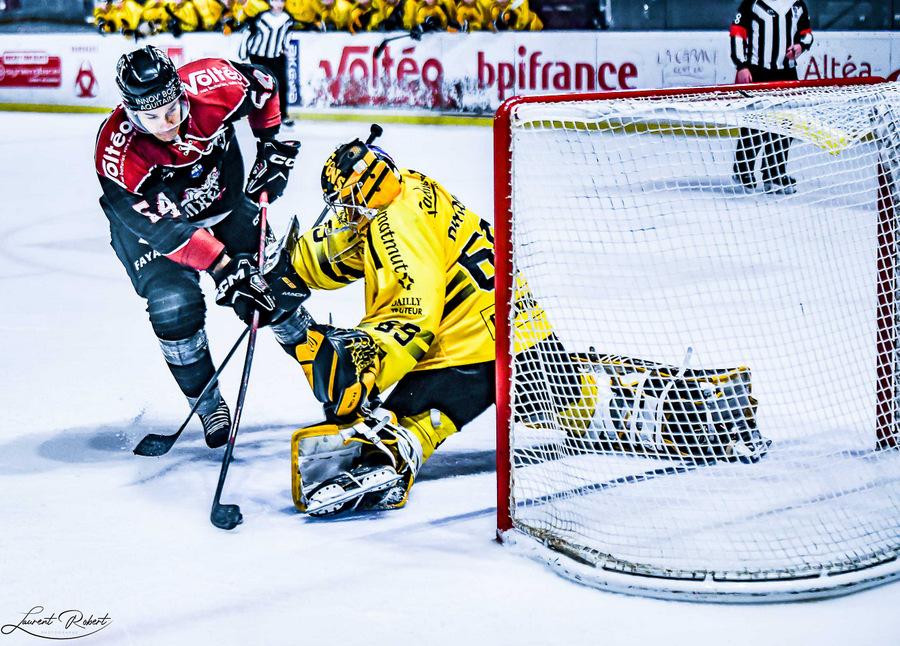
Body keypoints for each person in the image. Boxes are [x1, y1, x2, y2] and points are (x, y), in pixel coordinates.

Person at [265, 128, 769, 517]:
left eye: (346, 207)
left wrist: (362, 363)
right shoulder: (407, 188)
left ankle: (395, 449)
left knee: (410, 423)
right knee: (574, 401)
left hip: (474, 347)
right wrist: (289, 268)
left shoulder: (398, 230)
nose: (342, 216)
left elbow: (410, 317)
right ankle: (691, 405)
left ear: (359, 199)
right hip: (516, 322)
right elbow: (348, 248)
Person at [94, 45, 306, 448]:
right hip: (152, 232)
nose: (167, 125)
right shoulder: (116, 154)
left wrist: (269, 144)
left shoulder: (213, 84)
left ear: (181, 93)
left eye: (172, 110)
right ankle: (208, 405)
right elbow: (166, 232)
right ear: (131, 113)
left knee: (271, 286)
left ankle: (330, 368)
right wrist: (225, 267)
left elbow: (264, 84)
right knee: (173, 306)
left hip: (222, 204)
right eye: (150, 118)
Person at [730, 0, 814, 194]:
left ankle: (774, 173)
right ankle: (743, 171)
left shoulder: (797, 4)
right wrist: (741, 66)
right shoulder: (752, 3)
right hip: (757, 71)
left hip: (786, 72)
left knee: (785, 125)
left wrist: (800, 46)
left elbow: (807, 34)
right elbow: (737, 33)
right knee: (756, 123)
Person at [241, 0, 296, 127]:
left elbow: (287, 34)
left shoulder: (288, 18)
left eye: (281, 0)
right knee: (257, 86)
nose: (278, 3)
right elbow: (248, 34)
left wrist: (285, 48)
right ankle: (253, 113)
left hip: (276, 57)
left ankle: (282, 115)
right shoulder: (262, 17)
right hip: (258, 56)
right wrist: (243, 53)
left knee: (281, 86)